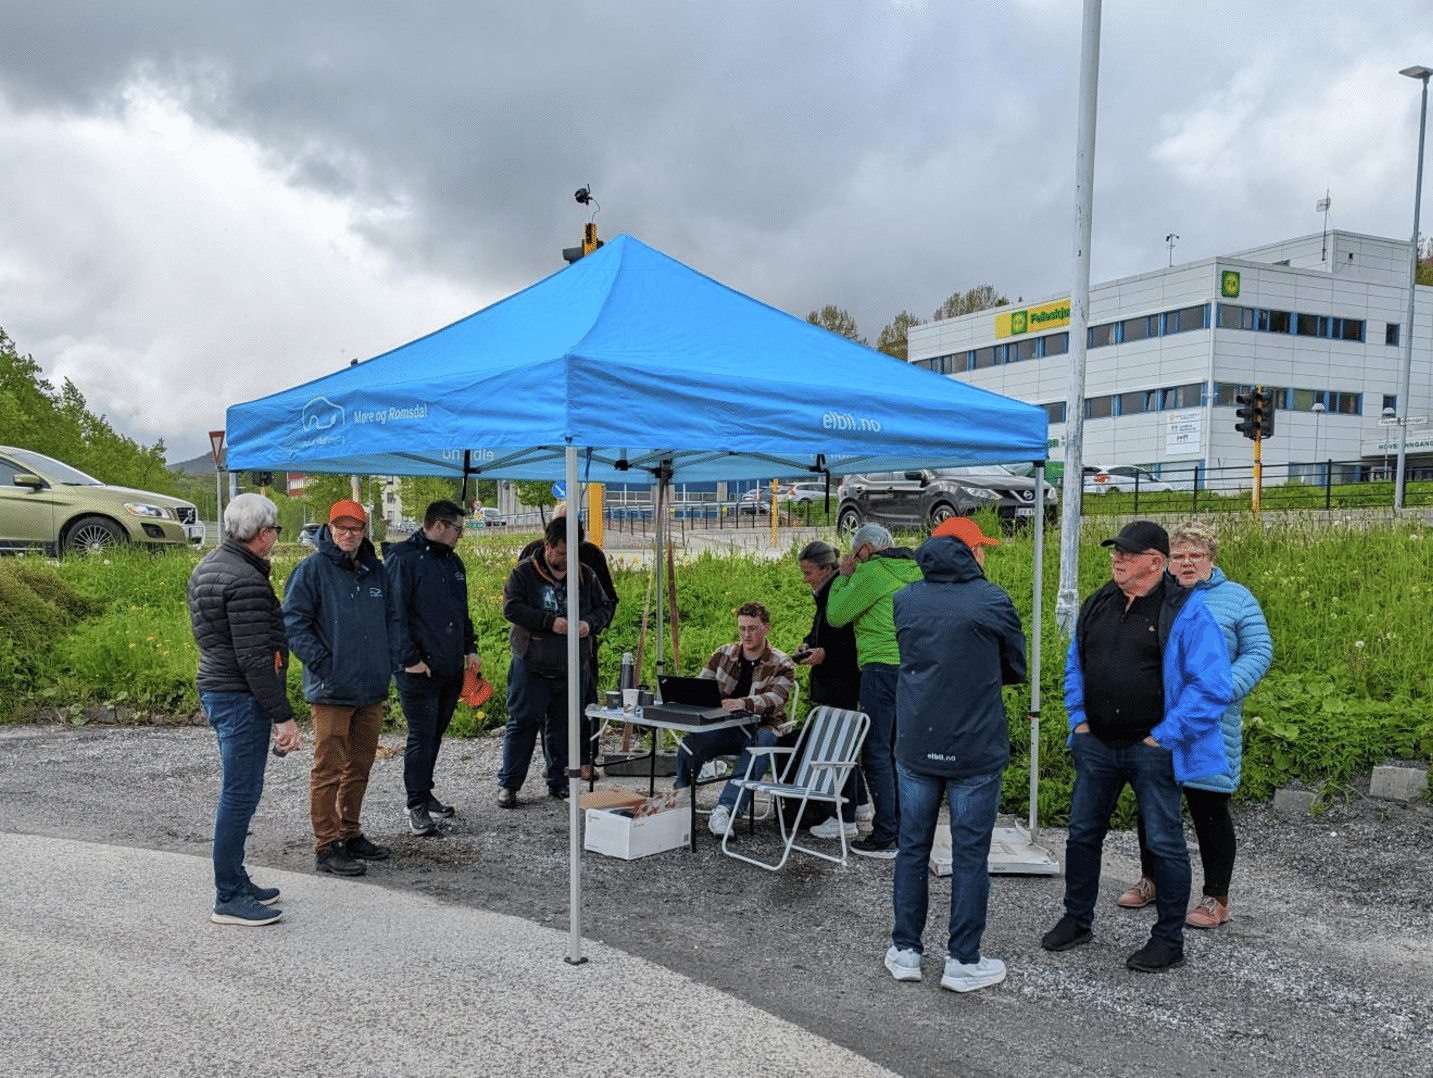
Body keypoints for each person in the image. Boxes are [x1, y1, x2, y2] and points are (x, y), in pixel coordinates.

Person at [1041, 520, 1233, 973]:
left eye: (1128, 552)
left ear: (1155, 561)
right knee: (1083, 835)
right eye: (1115, 551)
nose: (1117, 558)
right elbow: (1076, 666)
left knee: (1166, 845)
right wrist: (1079, 722)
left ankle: (1168, 940)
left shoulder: (1186, 610)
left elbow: (1212, 687)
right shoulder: (1098, 603)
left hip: (1152, 748)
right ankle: (1076, 919)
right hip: (1097, 746)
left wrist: (1162, 738)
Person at [885, 516, 1025, 992]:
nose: (985, 554)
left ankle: (906, 950)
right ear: (967, 551)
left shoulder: (905, 599)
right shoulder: (992, 599)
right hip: (974, 745)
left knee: (912, 847)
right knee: (970, 856)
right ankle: (963, 960)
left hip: (917, 742)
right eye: (980, 547)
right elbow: (1015, 666)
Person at [1116, 521, 1272, 928]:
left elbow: (1259, 650)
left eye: (1195, 555)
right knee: (1152, 804)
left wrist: (1222, 690)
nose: (1187, 563)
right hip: (1157, 719)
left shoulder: (1236, 599)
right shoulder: (1152, 596)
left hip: (1210, 723)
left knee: (1209, 808)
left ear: (1210, 559)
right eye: (1179, 556)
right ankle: (1152, 880)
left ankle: (1214, 898)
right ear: (1166, 562)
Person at [187, 493, 300, 927]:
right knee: (240, 793)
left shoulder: (210, 566)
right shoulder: (248, 580)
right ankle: (228, 896)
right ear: (261, 533)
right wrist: (282, 715)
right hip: (238, 695)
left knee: (241, 790)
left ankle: (235, 878)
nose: (275, 538)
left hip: (219, 688)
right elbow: (255, 659)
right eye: (274, 530)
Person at [283, 499, 402, 878]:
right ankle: (326, 843)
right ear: (330, 528)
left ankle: (350, 832)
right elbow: (293, 623)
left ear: (365, 531)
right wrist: (322, 664)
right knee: (328, 768)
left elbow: (392, 622)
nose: (349, 534)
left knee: (361, 765)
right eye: (342, 527)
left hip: (370, 688)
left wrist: (390, 665)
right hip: (331, 689)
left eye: (356, 528)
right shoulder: (312, 570)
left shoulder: (375, 572)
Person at [498, 516, 615, 806]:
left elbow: (606, 606)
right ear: (547, 546)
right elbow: (511, 608)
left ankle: (559, 781)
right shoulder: (524, 573)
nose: (567, 559)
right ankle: (510, 785)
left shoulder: (585, 574)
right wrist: (549, 622)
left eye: (572, 553)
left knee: (564, 727)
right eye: (563, 553)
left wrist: (590, 624)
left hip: (574, 666)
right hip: (531, 663)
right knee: (522, 724)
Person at [825, 523, 923, 858]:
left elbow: (836, 615)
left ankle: (884, 836)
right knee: (900, 752)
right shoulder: (914, 569)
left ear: (865, 549)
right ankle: (901, 827)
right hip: (913, 669)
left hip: (880, 667)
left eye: (855, 552)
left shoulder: (871, 572)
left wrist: (843, 576)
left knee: (876, 751)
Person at [386, 500, 481, 836]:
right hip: (418, 668)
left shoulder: (454, 563)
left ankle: (425, 793)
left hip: (449, 664)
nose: (460, 535)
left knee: (435, 735)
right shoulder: (402, 558)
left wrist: (470, 647)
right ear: (439, 526)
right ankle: (415, 804)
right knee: (421, 736)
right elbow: (394, 614)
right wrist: (410, 659)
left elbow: (461, 609)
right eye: (458, 528)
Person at [672, 601, 795, 839]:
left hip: (762, 727)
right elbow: (702, 685)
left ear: (766, 628)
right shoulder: (723, 653)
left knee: (763, 743)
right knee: (691, 742)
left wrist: (743, 703)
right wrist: (687, 695)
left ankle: (725, 809)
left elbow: (776, 699)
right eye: (742, 629)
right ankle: (681, 796)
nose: (746, 634)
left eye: (752, 628)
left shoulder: (782, 662)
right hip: (725, 726)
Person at [792, 540, 865, 841]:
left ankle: (845, 817)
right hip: (837, 681)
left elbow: (851, 639)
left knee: (840, 748)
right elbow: (823, 629)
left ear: (826, 569)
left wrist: (826, 655)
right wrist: (809, 644)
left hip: (842, 683)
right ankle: (860, 804)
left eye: (809, 572)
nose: (805, 578)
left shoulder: (838, 588)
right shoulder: (825, 592)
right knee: (844, 747)